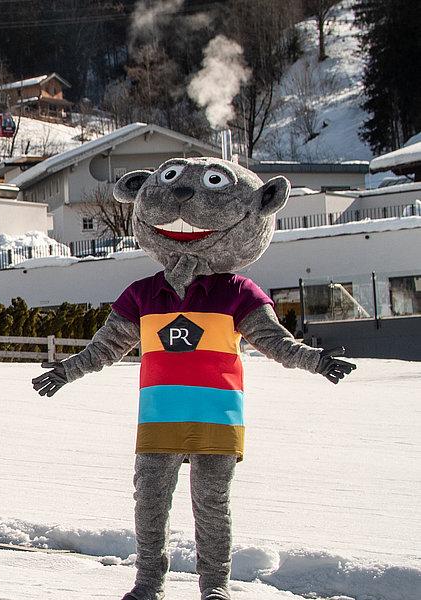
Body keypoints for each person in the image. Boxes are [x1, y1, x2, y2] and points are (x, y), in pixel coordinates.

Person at [30, 158, 358, 600]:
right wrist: (67, 370)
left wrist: (315, 361)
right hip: (159, 417)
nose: (183, 202)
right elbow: (107, 346)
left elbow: (275, 342)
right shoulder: (144, 294)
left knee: (211, 508)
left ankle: (215, 588)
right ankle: (148, 583)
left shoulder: (238, 294)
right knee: (149, 505)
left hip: (216, 417)